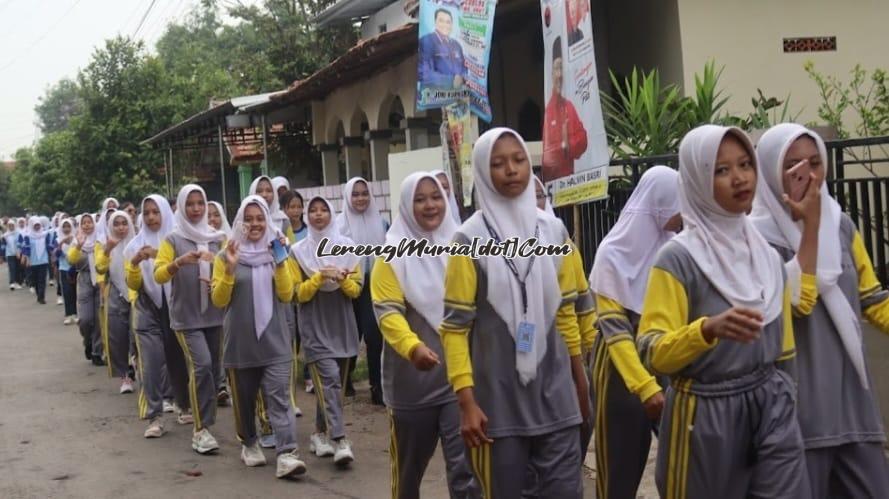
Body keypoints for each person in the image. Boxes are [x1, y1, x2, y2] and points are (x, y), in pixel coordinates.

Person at [636, 125, 815, 498]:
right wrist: (705, 331)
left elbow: (783, 350)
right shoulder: (678, 259)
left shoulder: (765, 255)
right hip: (705, 415)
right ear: (699, 180)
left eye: (745, 164)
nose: (739, 178)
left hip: (772, 404)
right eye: (721, 170)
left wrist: (789, 401)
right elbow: (652, 350)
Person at [440, 128, 590, 498]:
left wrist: (580, 376)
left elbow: (566, 313)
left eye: (519, 160)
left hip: (556, 396)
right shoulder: (467, 240)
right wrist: (466, 402)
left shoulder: (554, 232)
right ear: (482, 171)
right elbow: (455, 329)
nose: (511, 170)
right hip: (497, 406)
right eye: (498, 163)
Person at [751, 123, 889, 497]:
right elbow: (797, 303)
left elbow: (873, 299)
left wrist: (817, 224)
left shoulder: (840, 225)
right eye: (794, 166)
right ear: (769, 173)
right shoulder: (755, 239)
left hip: (852, 404)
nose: (809, 176)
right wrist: (809, 228)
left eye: (815, 163)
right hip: (799, 409)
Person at [371, 172, 479, 499]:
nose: (430, 205)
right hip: (411, 387)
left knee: (466, 470)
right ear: (406, 205)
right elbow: (388, 313)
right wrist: (412, 347)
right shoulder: (390, 256)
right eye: (420, 199)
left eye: (436, 196)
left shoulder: (462, 247)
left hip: (458, 385)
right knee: (408, 473)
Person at [587, 165, 680, 499]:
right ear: (657, 203)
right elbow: (616, 332)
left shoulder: (673, 248)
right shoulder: (613, 255)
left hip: (662, 362)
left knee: (681, 463)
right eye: (676, 203)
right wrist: (644, 387)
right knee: (619, 473)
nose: (682, 214)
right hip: (618, 372)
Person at [211, 195, 307, 478]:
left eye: (259, 218)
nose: (254, 224)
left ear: (267, 220)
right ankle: (249, 442)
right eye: (249, 219)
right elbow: (218, 300)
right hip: (240, 342)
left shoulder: (279, 251)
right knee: (244, 399)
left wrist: (279, 263)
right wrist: (229, 269)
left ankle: (287, 453)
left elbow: (287, 295)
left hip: (275, 339)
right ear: (240, 221)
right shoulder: (226, 254)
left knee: (279, 397)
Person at [154, 184, 226, 455]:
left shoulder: (216, 238)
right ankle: (201, 429)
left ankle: (203, 419)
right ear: (182, 207)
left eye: (200, 203)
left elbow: (231, 266)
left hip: (214, 315)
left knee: (213, 370)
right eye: (190, 204)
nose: (196, 209)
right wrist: (179, 262)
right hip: (186, 318)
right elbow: (158, 274)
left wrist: (218, 270)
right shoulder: (173, 240)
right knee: (202, 365)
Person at [291, 196, 362, 466]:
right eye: (313, 210)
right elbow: (298, 294)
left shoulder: (347, 248)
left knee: (333, 388)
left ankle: (318, 433)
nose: (319, 215)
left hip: (341, 325)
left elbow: (357, 290)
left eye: (323, 210)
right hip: (314, 326)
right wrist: (320, 277)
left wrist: (342, 279)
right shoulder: (299, 252)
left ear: (332, 214)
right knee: (329, 379)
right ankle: (340, 438)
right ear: (307, 216)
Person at [125, 195, 179, 438]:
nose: (151, 217)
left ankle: (184, 405)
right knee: (151, 363)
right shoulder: (133, 246)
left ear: (165, 213)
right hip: (147, 308)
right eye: (146, 213)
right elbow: (133, 283)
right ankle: (154, 416)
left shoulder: (179, 241)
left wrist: (160, 255)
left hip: (177, 306)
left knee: (178, 361)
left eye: (156, 212)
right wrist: (136, 262)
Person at [338, 177, 388, 405]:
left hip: (372, 286)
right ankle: (344, 380)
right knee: (349, 334)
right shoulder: (339, 226)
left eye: (364, 193)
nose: (360, 198)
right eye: (355, 194)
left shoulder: (381, 222)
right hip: (347, 286)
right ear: (348, 197)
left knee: (374, 336)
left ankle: (377, 386)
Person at [96, 210, 136, 394]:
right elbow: (100, 267)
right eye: (117, 224)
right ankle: (124, 376)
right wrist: (108, 249)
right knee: (117, 336)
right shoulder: (106, 245)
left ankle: (141, 371)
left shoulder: (137, 243)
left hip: (137, 294)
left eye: (124, 223)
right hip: (115, 294)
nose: (121, 227)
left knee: (137, 335)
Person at [542, 37, 587, 182]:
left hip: (572, 185)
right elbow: (549, 154)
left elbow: (583, 140)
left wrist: (568, 145)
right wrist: (564, 147)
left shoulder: (569, 106)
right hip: (555, 187)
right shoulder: (548, 111)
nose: (560, 74)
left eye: (562, 68)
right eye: (557, 68)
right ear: (551, 73)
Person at [69, 214, 105, 365]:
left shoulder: (100, 239)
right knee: (85, 319)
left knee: (98, 318)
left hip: (100, 280)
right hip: (84, 279)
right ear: (80, 225)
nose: (87, 225)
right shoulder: (76, 240)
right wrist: (78, 245)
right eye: (84, 223)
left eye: (89, 222)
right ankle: (87, 340)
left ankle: (97, 352)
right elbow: (71, 259)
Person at [418, 8, 467, 89]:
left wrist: (462, 77)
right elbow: (423, 72)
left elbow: (464, 68)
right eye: (441, 21)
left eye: (448, 22)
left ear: (451, 25)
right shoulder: (426, 41)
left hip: (458, 95)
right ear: (435, 22)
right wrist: (451, 81)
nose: (445, 25)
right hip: (434, 96)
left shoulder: (456, 44)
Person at [20, 216, 55, 305]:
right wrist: (27, 259)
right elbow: (26, 248)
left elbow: (48, 246)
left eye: (38, 225)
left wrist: (52, 256)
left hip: (43, 260)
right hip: (33, 261)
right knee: (34, 280)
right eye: (35, 225)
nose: (37, 227)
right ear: (32, 225)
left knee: (42, 279)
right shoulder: (28, 236)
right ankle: (38, 294)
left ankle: (41, 297)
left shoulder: (45, 234)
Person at [250, 175, 294, 241]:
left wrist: (285, 242)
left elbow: (292, 242)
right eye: (259, 191)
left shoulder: (283, 220)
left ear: (274, 194)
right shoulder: (245, 219)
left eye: (269, 191)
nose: (264, 195)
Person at [56, 218, 78, 325]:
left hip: (75, 268)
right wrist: (61, 243)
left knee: (75, 291)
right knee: (67, 291)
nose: (66, 229)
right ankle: (68, 315)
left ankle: (76, 314)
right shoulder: (57, 239)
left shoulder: (76, 239)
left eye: (68, 226)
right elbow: (55, 254)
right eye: (64, 226)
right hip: (64, 268)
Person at [3, 219, 22, 291]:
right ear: (8, 226)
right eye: (9, 226)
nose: (11, 227)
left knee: (17, 268)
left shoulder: (18, 233)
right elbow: (4, 245)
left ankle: (17, 282)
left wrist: (18, 252)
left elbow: (20, 243)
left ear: (14, 226)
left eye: (12, 226)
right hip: (9, 254)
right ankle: (12, 283)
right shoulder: (5, 235)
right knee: (12, 268)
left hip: (17, 253)